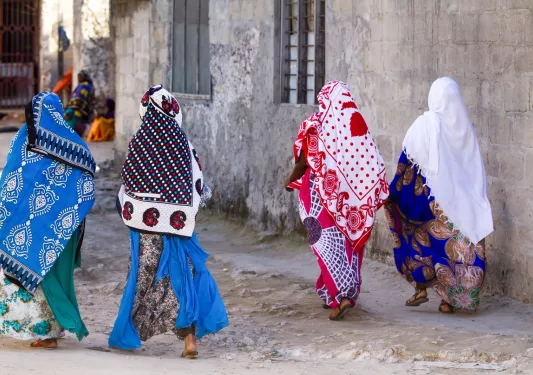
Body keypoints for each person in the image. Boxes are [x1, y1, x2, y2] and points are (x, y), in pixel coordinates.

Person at [109, 85, 228, 358]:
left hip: (144, 229)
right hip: (177, 228)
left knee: (143, 277)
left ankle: (130, 332)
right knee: (183, 275)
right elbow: (199, 187)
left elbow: (127, 184)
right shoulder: (183, 144)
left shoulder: (138, 142)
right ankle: (189, 339)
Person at [383, 77, 493, 314]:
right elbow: (475, 168)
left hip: (435, 202)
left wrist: (395, 191)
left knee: (422, 241)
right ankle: (449, 301)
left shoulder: (425, 124)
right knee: (458, 251)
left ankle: (421, 285)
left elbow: (407, 159)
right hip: (465, 203)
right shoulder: (467, 128)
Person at [284, 81, 389, 321]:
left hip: (318, 197)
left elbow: (302, 162)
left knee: (326, 247)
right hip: (353, 203)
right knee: (349, 246)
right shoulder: (359, 127)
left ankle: (340, 295)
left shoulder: (315, 125)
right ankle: (332, 292)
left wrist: (289, 181)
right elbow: (374, 164)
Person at [0, 92, 96, 348]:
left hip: (27, 226)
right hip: (60, 229)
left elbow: (12, 177)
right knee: (56, 277)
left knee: (32, 276)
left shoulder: (25, 138)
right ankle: (51, 332)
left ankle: (41, 332)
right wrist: (64, 213)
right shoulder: (75, 145)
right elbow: (87, 184)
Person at [64, 69, 95, 137]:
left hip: (80, 108)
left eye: (81, 76)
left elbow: (80, 97)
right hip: (78, 108)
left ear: (85, 77)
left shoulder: (85, 86)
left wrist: (74, 105)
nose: (79, 78)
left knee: (75, 123)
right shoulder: (83, 85)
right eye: (78, 77)